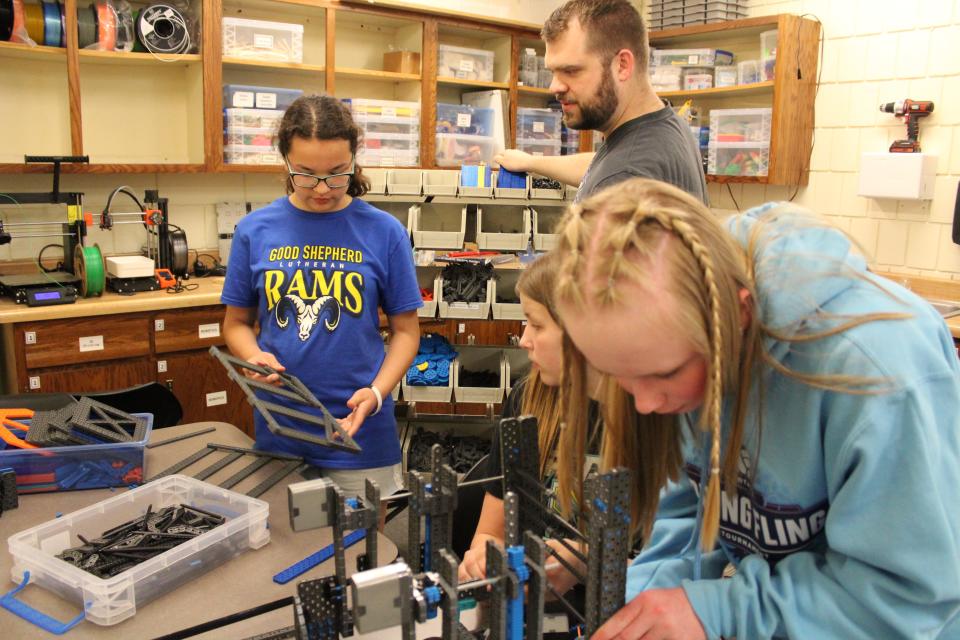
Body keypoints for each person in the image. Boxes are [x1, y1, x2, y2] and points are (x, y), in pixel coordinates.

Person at [552, 177, 960, 639]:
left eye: (663, 375)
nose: (645, 403)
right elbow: (689, 521)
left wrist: (720, 610)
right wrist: (637, 609)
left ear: (738, 315)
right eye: (621, 377)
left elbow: (904, 599)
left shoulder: (879, 371)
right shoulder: (684, 355)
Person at [221, 94, 422, 499]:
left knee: (366, 552)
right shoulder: (254, 230)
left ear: (354, 160)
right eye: (306, 174)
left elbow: (406, 332)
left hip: (359, 426)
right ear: (285, 162)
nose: (322, 189)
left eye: (337, 173)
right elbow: (237, 324)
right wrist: (252, 357)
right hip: (282, 426)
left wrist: (378, 393)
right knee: (287, 551)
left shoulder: (384, 232)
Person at [456, 252, 620, 597]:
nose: (524, 339)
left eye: (537, 324)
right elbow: (490, 533)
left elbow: (675, 569)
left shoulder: (652, 412)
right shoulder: (527, 399)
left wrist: (586, 560)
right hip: (530, 602)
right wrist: (484, 558)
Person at [495, 0, 706, 204]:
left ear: (622, 65)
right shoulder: (664, 127)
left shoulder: (623, 179)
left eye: (571, 71)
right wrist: (531, 162)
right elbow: (601, 164)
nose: (554, 87)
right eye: (553, 72)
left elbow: (617, 170)